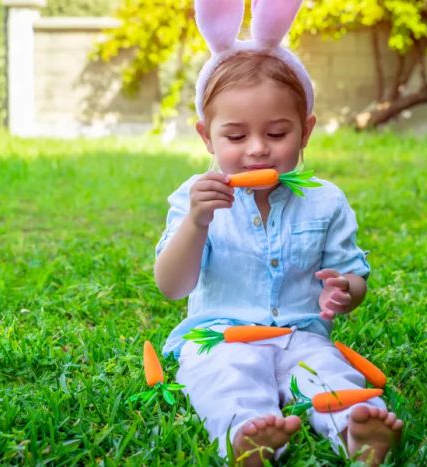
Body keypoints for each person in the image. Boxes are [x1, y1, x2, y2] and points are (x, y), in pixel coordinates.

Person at [154, 1, 403, 465]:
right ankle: (247, 436)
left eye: (276, 133)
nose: (257, 150)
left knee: (329, 375)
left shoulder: (326, 201)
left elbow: (353, 278)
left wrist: (345, 291)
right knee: (225, 379)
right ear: (207, 137)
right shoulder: (194, 198)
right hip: (221, 337)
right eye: (235, 137)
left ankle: (356, 431)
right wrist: (196, 222)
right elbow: (171, 286)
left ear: (305, 131)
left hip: (301, 335)